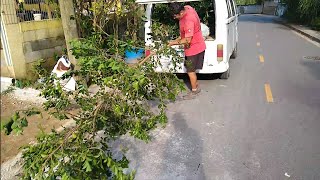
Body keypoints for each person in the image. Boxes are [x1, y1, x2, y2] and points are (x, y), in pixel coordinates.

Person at [168, 3, 206, 100]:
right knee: (192, 69)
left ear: (181, 12)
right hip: (197, 44)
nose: (174, 18)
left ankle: (194, 90)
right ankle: (195, 84)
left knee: (190, 71)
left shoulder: (189, 20)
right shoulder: (187, 7)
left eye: (175, 16)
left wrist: (173, 43)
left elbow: (187, 40)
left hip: (193, 48)